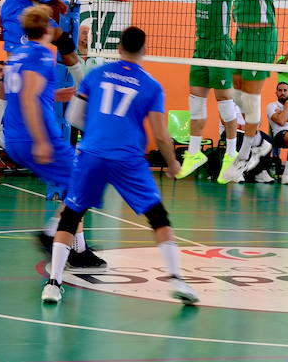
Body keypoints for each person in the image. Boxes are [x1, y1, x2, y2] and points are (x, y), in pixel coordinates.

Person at [42, 26, 200, 306]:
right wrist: (173, 163)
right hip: (128, 159)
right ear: (144, 49)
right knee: (158, 217)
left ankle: (53, 284)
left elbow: (75, 117)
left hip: (93, 153)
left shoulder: (95, 74)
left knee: (71, 216)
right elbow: (161, 134)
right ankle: (176, 279)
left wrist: (101, 130)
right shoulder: (151, 85)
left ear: (119, 47)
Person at [3, 5, 105, 271]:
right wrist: (41, 141)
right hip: (35, 136)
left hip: (15, 136)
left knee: (79, 185)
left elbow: (19, 92)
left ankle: (77, 247)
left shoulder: (17, 55)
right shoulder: (41, 55)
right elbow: (27, 98)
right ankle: (53, 235)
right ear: (48, 28)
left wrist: (58, 95)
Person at [162, 0, 241, 180]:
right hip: (201, 47)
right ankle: (195, 151)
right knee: (195, 100)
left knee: (224, 101)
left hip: (221, 47)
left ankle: (232, 152)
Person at [207, 0, 278, 182]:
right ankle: (257, 140)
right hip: (242, 36)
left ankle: (249, 151)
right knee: (230, 92)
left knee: (249, 99)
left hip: (262, 37)